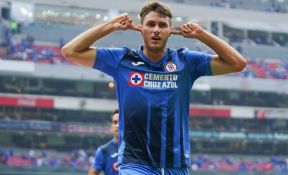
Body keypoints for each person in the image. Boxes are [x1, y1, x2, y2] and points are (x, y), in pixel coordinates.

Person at [62, 1, 247, 174]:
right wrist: (109, 26)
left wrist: (202, 34)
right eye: (150, 24)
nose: (156, 30)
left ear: (171, 30)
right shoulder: (121, 60)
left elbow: (238, 63)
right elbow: (69, 51)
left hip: (176, 164)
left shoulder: (186, 61)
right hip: (135, 163)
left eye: (162, 25)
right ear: (140, 28)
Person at [88, 109, 119, 175]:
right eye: (115, 122)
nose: (117, 126)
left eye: (120, 122)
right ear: (111, 126)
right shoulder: (103, 150)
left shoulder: (137, 148)